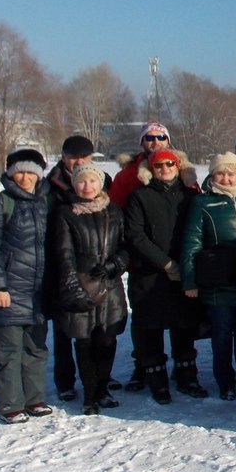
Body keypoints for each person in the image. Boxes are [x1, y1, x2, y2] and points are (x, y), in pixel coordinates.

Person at [182, 152, 236, 400]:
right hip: (218, 278)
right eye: (221, 173)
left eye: (231, 173)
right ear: (212, 175)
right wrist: (190, 280)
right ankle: (225, 381)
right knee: (221, 333)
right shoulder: (203, 202)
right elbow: (192, 242)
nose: (226, 178)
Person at [123, 148, 204, 404]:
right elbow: (136, 235)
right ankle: (156, 382)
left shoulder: (190, 195)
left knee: (184, 326)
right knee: (151, 329)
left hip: (184, 270)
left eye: (170, 164)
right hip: (151, 272)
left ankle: (186, 377)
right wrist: (166, 264)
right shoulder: (140, 196)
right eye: (159, 166)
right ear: (151, 169)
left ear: (178, 166)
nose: (165, 169)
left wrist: (187, 265)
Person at [0, 148, 52, 423]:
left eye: (30, 172)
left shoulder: (46, 201)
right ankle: (10, 404)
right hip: (9, 290)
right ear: (10, 173)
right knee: (9, 351)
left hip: (38, 291)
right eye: (19, 172)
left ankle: (34, 399)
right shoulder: (1, 202)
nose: (25, 178)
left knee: (35, 348)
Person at [51, 162, 130, 416]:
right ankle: (89, 393)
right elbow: (63, 254)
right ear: (75, 185)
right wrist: (72, 287)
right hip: (81, 282)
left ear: (101, 184)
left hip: (110, 283)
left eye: (93, 181)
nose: (88, 186)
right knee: (84, 341)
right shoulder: (66, 213)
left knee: (107, 339)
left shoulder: (115, 211)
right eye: (82, 181)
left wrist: (115, 264)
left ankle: (103, 388)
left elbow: (127, 247)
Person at [45, 135, 113, 400]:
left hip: (94, 263)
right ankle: (65, 380)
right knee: (66, 326)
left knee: (96, 326)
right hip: (61, 258)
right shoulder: (51, 185)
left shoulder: (101, 180)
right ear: (63, 157)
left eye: (83, 158)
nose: (78, 162)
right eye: (73, 157)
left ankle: (97, 375)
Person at [109, 121, 172, 208]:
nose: (156, 142)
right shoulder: (126, 176)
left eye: (161, 137)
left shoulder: (182, 171)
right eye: (149, 138)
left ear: (168, 142)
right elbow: (114, 210)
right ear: (141, 142)